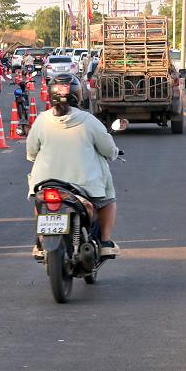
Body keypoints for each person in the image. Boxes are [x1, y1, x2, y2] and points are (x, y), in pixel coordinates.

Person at [26, 74, 120, 258]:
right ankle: (105, 241)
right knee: (108, 201)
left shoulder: (41, 120)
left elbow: (31, 152)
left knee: (40, 204)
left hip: (47, 184)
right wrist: (114, 153)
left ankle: (41, 241)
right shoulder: (88, 120)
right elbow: (108, 149)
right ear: (78, 94)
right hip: (84, 186)